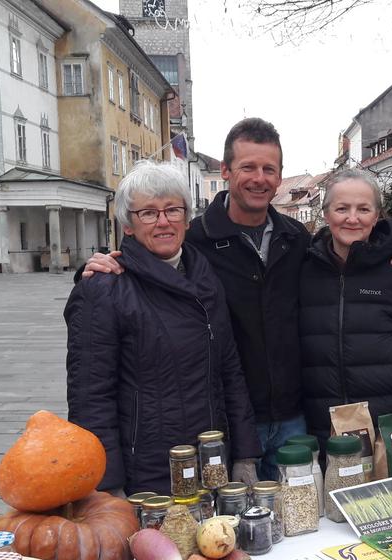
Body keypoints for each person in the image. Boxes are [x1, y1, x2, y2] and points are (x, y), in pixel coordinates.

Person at [84, 118, 392, 481]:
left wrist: (390, 262)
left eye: (269, 169)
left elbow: (345, 268)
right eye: (248, 167)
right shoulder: (193, 242)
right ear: (225, 171)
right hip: (225, 422)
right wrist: (103, 267)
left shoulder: (297, 240)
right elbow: (144, 266)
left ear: (279, 176)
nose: (259, 178)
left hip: (295, 417)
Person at [64, 160, 261, 495]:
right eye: (148, 213)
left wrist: (245, 453)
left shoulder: (206, 278)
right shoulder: (104, 287)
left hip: (211, 464)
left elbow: (230, 371)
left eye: (172, 210)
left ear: (186, 217)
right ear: (128, 225)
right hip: (146, 475)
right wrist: (107, 485)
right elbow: (90, 399)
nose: (163, 221)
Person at [298, 168, 392, 449]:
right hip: (325, 425)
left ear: (377, 215)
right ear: (326, 213)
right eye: (342, 208)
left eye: (363, 209)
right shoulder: (303, 273)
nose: (352, 218)